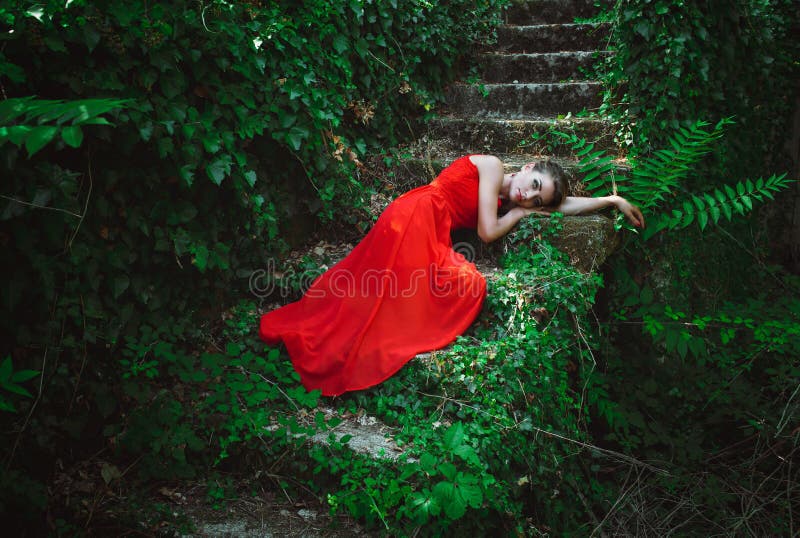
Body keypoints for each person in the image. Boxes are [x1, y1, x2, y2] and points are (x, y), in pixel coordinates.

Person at [259, 154, 644, 396]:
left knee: (462, 285)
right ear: (528, 166)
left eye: (536, 201)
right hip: (415, 215)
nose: (529, 197)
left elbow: (563, 206)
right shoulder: (493, 166)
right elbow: (487, 232)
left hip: (432, 229)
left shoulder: (507, 195)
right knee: (388, 295)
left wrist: (612, 200)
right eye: (534, 186)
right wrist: (521, 214)